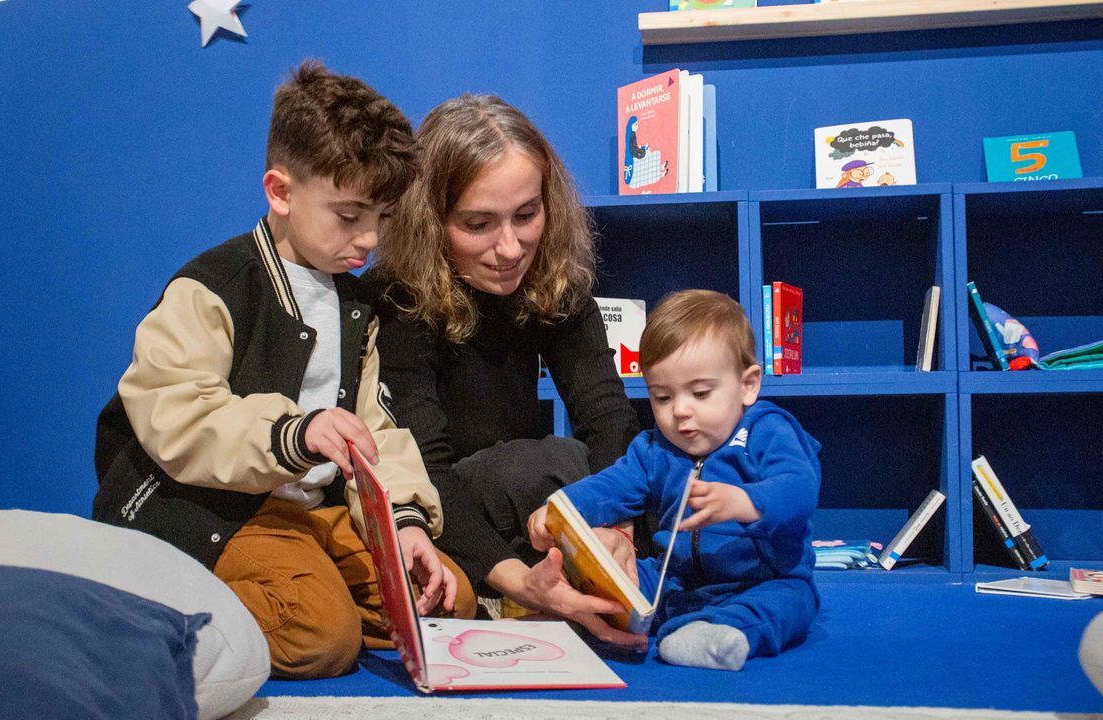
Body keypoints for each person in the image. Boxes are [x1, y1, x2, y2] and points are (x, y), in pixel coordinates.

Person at [92, 60, 474, 680]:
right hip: (216, 511)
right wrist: (294, 433)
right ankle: (150, 598)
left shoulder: (357, 306)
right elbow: (175, 413)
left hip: (316, 513)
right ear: (281, 192)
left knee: (448, 598)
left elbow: (376, 426)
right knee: (321, 638)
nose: (371, 238)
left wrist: (401, 522)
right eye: (350, 216)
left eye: (383, 217)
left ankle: (327, 589)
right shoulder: (214, 286)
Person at [369, 93, 646, 650]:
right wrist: (520, 578)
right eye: (477, 224)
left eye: (527, 215)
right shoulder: (397, 300)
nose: (510, 247)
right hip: (446, 506)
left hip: (532, 509)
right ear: (431, 221)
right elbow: (427, 469)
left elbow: (608, 417)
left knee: (661, 469)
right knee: (545, 465)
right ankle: (512, 589)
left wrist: (614, 532)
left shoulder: (555, 282)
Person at [528, 289, 822, 671]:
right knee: (626, 581)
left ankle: (723, 634)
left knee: (788, 603)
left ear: (748, 385)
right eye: (662, 397)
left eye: (701, 393)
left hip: (763, 581)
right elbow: (611, 486)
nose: (680, 411)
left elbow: (799, 487)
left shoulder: (767, 430)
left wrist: (746, 503)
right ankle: (595, 619)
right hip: (678, 583)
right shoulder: (654, 449)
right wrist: (562, 507)